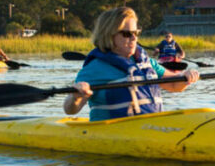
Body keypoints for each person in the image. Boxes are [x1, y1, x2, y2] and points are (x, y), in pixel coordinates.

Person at [64, 7, 199, 120]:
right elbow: (70, 110)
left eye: (136, 32)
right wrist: (76, 97)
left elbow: (174, 85)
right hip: (113, 132)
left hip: (150, 127)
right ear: (109, 35)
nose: (134, 38)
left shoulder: (147, 63)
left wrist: (186, 77)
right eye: (127, 34)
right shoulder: (94, 69)